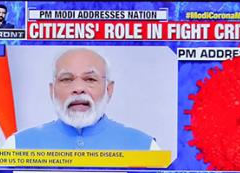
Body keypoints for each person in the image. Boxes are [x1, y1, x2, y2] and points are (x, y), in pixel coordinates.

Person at [12, 48, 157, 150]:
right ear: (52, 90)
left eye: (90, 79)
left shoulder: (146, 147)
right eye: (67, 79)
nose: (78, 88)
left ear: (109, 89)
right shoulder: (16, 145)